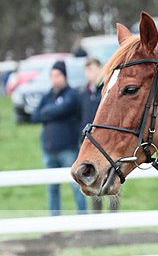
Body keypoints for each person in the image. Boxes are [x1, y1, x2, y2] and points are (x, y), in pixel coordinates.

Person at [32, 60, 86, 216]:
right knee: (52, 188)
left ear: (64, 76)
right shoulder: (48, 95)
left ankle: (83, 221)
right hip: (48, 150)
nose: (55, 79)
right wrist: (52, 111)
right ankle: (54, 223)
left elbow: (64, 108)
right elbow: (35, 116)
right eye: (52, 76)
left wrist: (47, 112)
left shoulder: (72, 94)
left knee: (77, 186)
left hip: (68, 149)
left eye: (58, 75)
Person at [79, 57, 120, 212]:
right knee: (92, 181)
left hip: (107, 144)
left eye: (92, 69)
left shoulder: (108, 90)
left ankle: (112, 221)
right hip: (89, 143)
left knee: (112, 181)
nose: (89, 74)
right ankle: (97, 222)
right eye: (87, 70)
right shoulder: (83, 93)